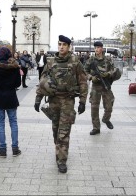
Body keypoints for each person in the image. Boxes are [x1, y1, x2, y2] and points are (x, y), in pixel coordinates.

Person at [34, 35, 88, 173]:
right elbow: (43, 81)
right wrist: (38, 99)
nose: (61, 47)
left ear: (69, 46)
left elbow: (83, 82)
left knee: (64, 131)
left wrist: (82, 101)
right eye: (59, 44)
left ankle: (62, 160)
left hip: (68, 101)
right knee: (55, 129)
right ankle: (59, 150)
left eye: (64, 44)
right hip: (53, 101)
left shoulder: (76, 62)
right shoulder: (51, 62)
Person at [0, 47, 22, 158]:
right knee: (13, 122)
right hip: (11, 97)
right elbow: (18, 83)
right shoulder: (14, 66)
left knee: (0, 123)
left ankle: (2, 150)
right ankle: (15, 149)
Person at [84, 41, 121, 135]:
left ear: (102, 48)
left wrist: (108, 74)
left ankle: (106, 119)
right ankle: (96, 128)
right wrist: (91, 77)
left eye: (98, 47)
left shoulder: (108, 59)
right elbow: (84, 72)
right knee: (94, 108)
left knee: (109, 106)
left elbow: (114, 70)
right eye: (95, 47)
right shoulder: (91, 60)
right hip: (96, 87)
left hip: (106, 86)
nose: (96, 49)